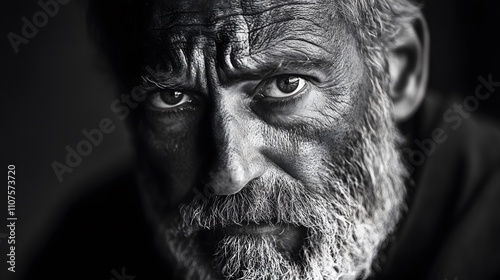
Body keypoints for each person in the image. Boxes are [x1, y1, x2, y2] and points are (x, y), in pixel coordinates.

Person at [23, 0, 500, 279]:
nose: (230, 171)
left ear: (399, 69)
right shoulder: (88, 250)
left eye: (284, 85)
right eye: (172, 98)